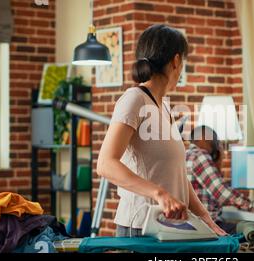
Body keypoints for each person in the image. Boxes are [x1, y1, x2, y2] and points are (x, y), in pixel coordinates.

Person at [97, 25, 226, 237]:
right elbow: (105, 164)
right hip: (140, 226)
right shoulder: (134, 99)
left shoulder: (163, 106)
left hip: (170, 227)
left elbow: (176, 174)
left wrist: (205, 218)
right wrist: (159, 194)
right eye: (183, 62)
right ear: (176, 61)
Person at [186, 126, 254, 234]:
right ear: (203, 137)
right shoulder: (199, 155)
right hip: (208, 227)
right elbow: (222, 192)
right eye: (215, 139)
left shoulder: (186, 155)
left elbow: (211, 191)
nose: (217, 143)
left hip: (195, 227)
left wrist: (218, 162)